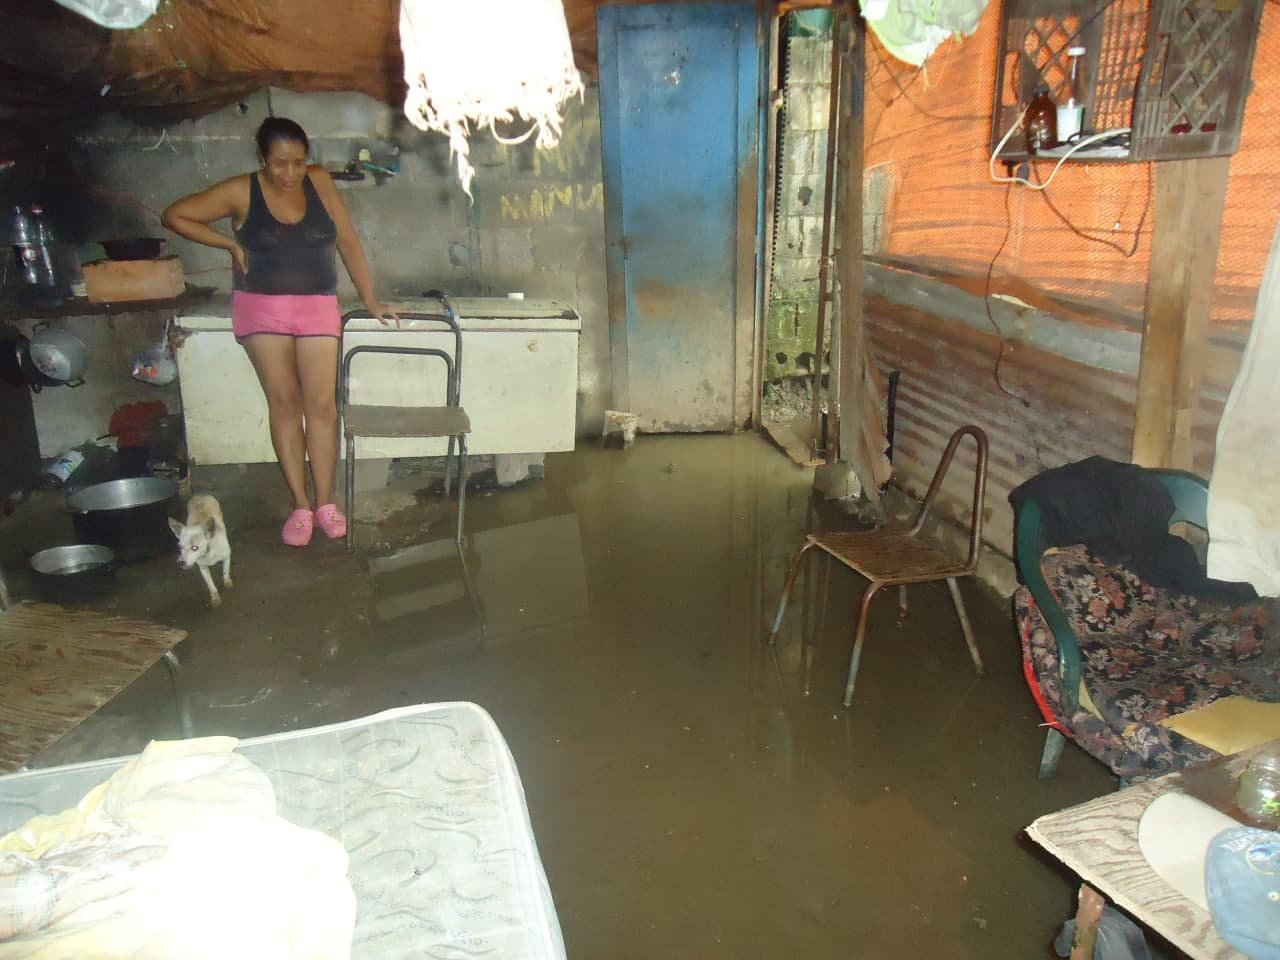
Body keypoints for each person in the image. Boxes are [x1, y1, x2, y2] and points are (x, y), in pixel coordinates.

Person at [162, 117, 398, 547]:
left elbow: (347, 241)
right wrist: (229, 244)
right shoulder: (240, 190)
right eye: (280, 163)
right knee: (285, 403)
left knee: (323, 406)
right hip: (261, 310)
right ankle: (301, 506)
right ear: (261, 159)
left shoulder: (319, 181)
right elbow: (176, 215)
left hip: (318, 307)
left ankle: (326, 503)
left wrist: (370, 299)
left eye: (298, 162)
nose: (290, 173)